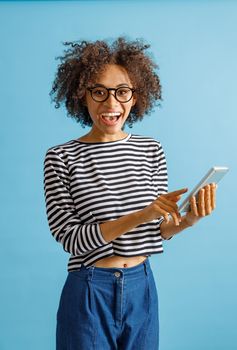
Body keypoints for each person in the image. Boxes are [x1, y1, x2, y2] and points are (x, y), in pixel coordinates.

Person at [43, 37, 217, 350]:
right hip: (89, 290)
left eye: (122, 92)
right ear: (83, 95)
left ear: (135, 97)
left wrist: (189, 219)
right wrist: (142, 214)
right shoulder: (61, 157)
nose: (111, 104)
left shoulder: (151, 150)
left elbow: (159, 228)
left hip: (142, 285)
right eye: (100, 92)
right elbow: (70, 238)